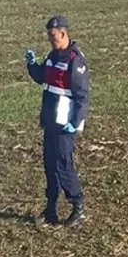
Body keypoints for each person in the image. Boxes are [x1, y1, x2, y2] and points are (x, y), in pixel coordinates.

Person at [26, 14, 91, 227]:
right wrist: (32, 66)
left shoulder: (75, 60)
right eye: (48, 36)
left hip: (64, 123)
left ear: (63, 34)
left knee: (64, 164)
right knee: (50, 164)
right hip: (50, 119)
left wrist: (76, 122)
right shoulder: (53, 56)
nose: (50, 40)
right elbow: (42, 77)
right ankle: (51, 209)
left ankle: (78, 206)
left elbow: (82, 96)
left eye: (53, 36)